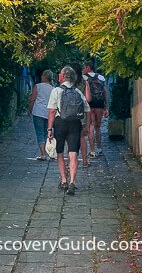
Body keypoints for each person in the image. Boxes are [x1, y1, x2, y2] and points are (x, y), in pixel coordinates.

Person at [47, 66, 90, 195]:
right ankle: (72, 181)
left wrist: (49, 128)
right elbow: (87, 109)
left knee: (60, 152)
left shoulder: (56, 91)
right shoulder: (77, 91)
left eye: (60, 74)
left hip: (60, 123)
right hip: (75, 124)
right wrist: (86, 125)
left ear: (63, 77)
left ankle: (64, 180)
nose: (59, 76)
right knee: (73, 153)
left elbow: (52, 111)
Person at [83, 60, 108, 157]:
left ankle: (92, 150)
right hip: (99, 104)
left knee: (91, 126)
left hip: (89, 104)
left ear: (88, 68)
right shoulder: (101, 77)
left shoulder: (84, 78)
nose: (83, 69)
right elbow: (105, 92)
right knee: (98, 127)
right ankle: (99, 148)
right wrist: (107, 106)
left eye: (84, 67)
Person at [28, 69, 54, 160]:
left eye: (42, 75)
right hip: (49, 113)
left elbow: (32, 99)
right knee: (48, 133)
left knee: (39, 133)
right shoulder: (53, 89)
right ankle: (50, 153)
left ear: (44, 77)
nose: (41, 77)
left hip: (38, 112)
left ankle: (43, 154)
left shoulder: (37, 86)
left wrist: (30, 110)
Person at [71, 61, 91, 167]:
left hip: (68, 113)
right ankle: (84, 161)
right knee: (82, 137)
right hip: (81, 112)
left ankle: (71, 162)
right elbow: (88, 98)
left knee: (70, 138)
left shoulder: (68, 83)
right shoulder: (84, 82)